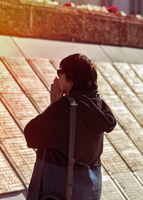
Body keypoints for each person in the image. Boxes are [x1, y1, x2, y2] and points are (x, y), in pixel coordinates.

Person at [24, 53, 117, 200]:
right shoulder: (99, 105)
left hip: (60, 191)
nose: (58, 77)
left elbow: (31, 135)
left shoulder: (64, 107)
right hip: (88, 190)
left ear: (71, 80)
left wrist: (54, 105)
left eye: (60, 72)